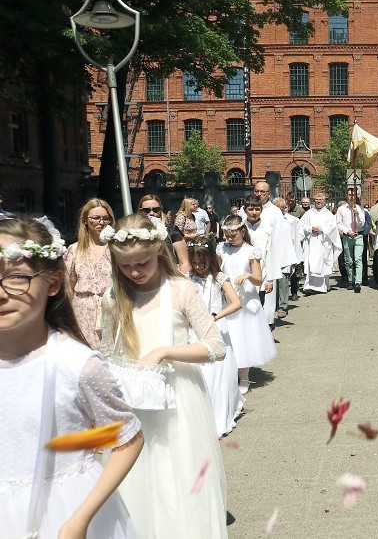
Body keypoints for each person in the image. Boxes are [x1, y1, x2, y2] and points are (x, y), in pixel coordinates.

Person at [0, 217, 143, 539]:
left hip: (63, 511)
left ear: (52, 283)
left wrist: (79, 520)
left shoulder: (76, 365)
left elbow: (127, 438)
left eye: (17, 278)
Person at [100, 213, 227, 538]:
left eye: (142, 262)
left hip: (178, 402)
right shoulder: (115, 297)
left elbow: (215, 346)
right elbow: (106, 354)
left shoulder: (180, 290)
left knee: (177, 478)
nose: (135, 272)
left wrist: (165, 352)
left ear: (159, 250)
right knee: (137, 480)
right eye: (126, 266)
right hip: (134, 401)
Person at [188, 243, 243, 437]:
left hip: (216, 327)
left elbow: (236, 303)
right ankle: (202, 416)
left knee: (218, 375)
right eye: (194, 263)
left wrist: (217, 315)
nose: (198, 267)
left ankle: (220, 415)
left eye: (202, 263)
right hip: (195, 330)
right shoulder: (188, 279)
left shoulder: (220, 278)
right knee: (200, 374)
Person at [218, 214, 276, 394]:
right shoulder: (222, 249)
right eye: (227, 235)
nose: (229, 238)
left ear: (242, 231)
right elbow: (218, 269)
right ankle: (229, 373)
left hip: (245, 299)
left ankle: (244, 376)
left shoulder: (250, 251)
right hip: (227, 298)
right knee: (229, 337)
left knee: (243, 337)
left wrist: (248, 275)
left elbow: (259, 279)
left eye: (232, 235)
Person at [241, 182, 298, 320]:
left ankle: (267, 321)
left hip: (267, 259)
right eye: (256, 191)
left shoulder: (275, 212)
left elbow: (282, 237)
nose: (259, 194)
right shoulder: (243, 211)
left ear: (269, 194)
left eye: (262, 192)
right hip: (245, 260)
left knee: (266, 296)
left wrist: (284, 261)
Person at [64, 198, 116, 348]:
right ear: (85, 220)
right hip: (82, 312)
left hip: (111, 308)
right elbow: (69, 287)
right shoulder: (75, 250)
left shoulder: (115, 248)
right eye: (96, 218)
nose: (101, 222)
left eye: (106, 218)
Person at [298, 192, 342, 294]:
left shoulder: (329, 215)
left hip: (323, 243)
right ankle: (309, 286)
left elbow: (333, 228)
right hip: (312, 242)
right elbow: (301, 226)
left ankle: (322, 286)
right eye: (317, 200)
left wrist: (322, 229)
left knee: (322, 264)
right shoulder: (308, 214)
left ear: (324, 201)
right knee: (310, 263)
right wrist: (310, 229)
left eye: (320, 200)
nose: (318, 202)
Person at [137, 194, 191, 273]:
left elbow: (184, 262)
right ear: (140, 211)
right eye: (146, 210)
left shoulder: (172, 230)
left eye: (156, 210)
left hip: (169, 274)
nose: (151, 213)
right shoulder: (134, 231)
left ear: (161, 209)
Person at [242, 194, 275, 321]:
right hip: (243, 274)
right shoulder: (240, 228)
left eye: (257, 209)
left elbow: (270, 254)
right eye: (250, 209)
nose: (254, 213)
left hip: (261, 275)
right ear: (245, 210)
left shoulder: (267, 229)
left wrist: (270, 280)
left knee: (257, 308)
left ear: (261, 209)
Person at [337, 188, 366, 293]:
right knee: (348, 260)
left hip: (358, 236)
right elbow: (339, 223)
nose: (351, 197)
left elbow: (363, 224)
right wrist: (347, 231)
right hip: (347, 236)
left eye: (353, 195)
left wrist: (357, 214)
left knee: (358, 259)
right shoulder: (341, 209)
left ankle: (358, 282)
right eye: (349, 194)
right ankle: (351, 280)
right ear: (346, 195)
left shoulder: (360, 208)